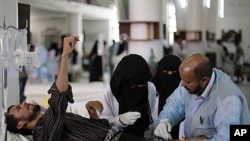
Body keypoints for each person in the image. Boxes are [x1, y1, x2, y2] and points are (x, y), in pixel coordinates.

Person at [6, 36, 149, 141]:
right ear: (20, 125)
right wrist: (65, 56)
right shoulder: (43, 135)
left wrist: (95, 117)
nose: (24, 103)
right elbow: (59, 99)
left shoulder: (52, 119)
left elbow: (90, 130)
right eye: (19, 109)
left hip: (119, 136)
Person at [154, 53, 250, 140]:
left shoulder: (228, 100)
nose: (182, 85)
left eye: (187, 82)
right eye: (182, 79)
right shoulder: (189, 81)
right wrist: (165, 120)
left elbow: (226, 138)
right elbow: (175, 105)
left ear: (203, 80)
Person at [86, 54, 159, 139]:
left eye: (142, 85)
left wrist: (159, 129)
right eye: (134, 86)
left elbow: (153, 117)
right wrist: (120, 120)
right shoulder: (111, 92)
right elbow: (103, 123)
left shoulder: (150, 88)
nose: (139, 89)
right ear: (124, 80)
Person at [151, 55, 182, 139]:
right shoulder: (151, 91)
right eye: (165, 72)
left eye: (173, 72)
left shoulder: (185, 91)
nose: (169, 76)